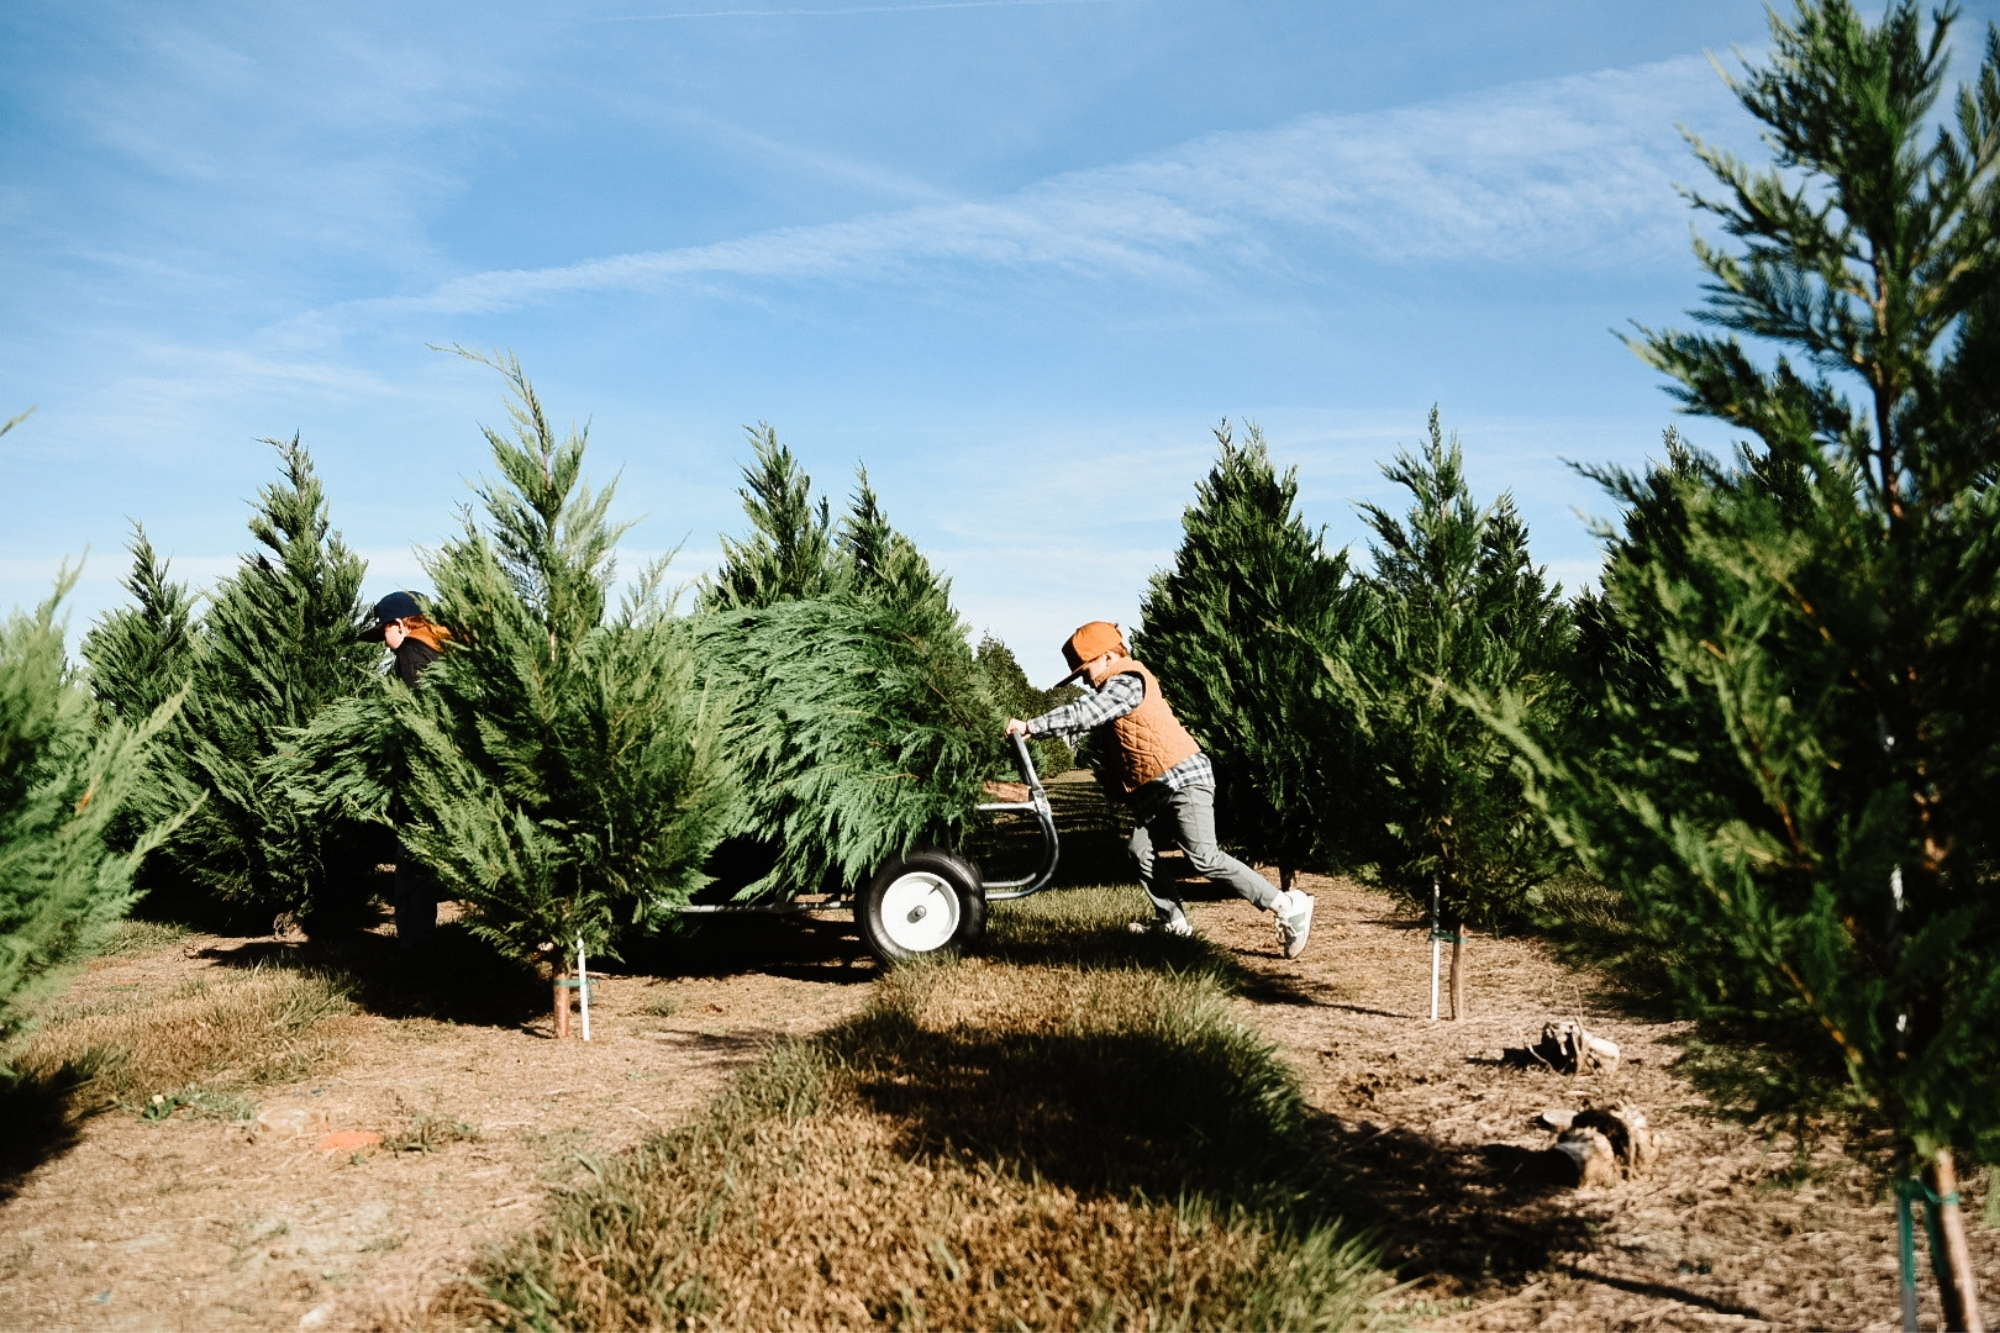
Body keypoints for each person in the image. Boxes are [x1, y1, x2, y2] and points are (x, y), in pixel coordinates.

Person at [1006, 621, 1315, 957]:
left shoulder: (1127, 680)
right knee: (1140, 850)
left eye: (1086, 669)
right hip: (1158, 788)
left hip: (1182, 779)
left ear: (1109, 657)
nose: (1084, 679)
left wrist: (1033, 726)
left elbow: (1088, 713)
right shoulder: (1115, 681)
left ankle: (1287, 904)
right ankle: (1173, 922)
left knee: (1204, 857)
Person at [360, 591, 450, 948]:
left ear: (399, 624)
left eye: (384, 632)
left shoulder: (411, 653)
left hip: (424, 771)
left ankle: (415, 945)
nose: (385, 644)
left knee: (411, 855)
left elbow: (415, 719)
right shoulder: (442, 648)